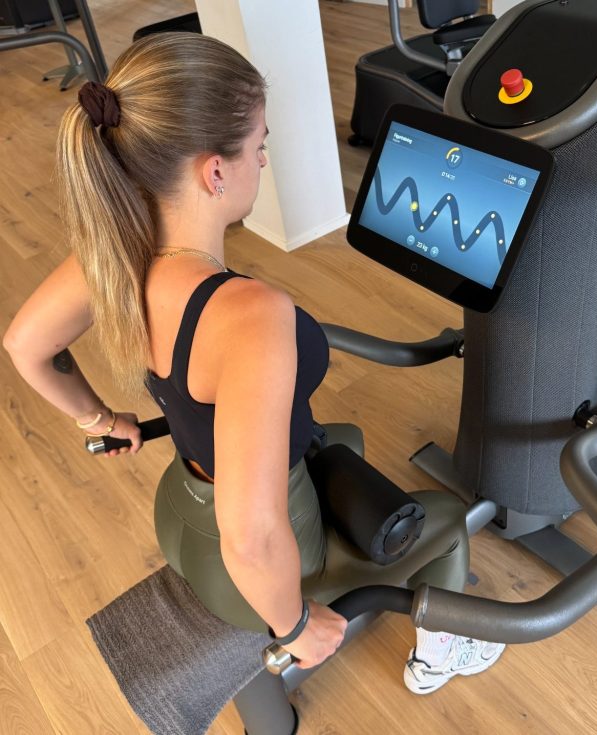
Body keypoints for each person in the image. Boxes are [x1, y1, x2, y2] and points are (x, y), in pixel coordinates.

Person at [2, 32, 503, 693]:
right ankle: (438, 654)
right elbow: (251, 536)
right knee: (443, 518)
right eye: (259, 145)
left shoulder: (112, 251)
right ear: (215, 172)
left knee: (343, 437)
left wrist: (100, 419)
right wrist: (296, 626)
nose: (263, 159)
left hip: (182, 510)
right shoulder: (249, 316)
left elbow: (26, 345)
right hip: (245, 563)